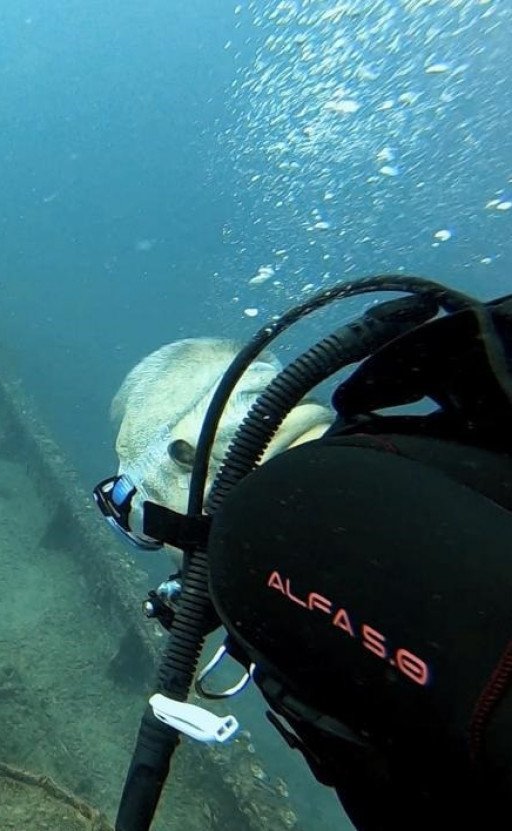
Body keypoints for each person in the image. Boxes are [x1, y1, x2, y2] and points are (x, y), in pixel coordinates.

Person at [95, 279, 512, 831]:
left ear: (184, 454)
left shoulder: (276, 523)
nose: (158, 548)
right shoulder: (374, 463)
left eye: (134, 503)